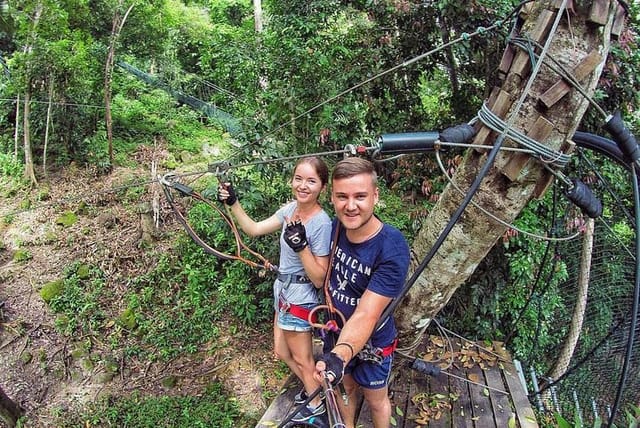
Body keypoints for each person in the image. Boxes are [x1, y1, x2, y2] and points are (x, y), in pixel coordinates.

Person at [217, 157, 332, 423]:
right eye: (299, 179)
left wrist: (301, 246)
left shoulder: (321, 223)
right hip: (283, 291)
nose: (303, 186)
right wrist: (233, 202)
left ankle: (316, 403)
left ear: (322, 188)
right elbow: (254, 229)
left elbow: (318, 278)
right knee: (281, 352)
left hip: (300, 297)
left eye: (311, 181)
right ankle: (314, 388)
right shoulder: (291, 209)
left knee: (303, 359)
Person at [314, 157, 410, 428]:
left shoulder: (391, 247)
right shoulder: (333, 229)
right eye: (342, 196)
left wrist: (339, 356)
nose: (351, 205)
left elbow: (368, 313)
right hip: (336, 332)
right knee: (347, 391)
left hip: (371, 345)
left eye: (360, 196)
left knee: (377, 400)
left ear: (375, 196)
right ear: (332, 198)